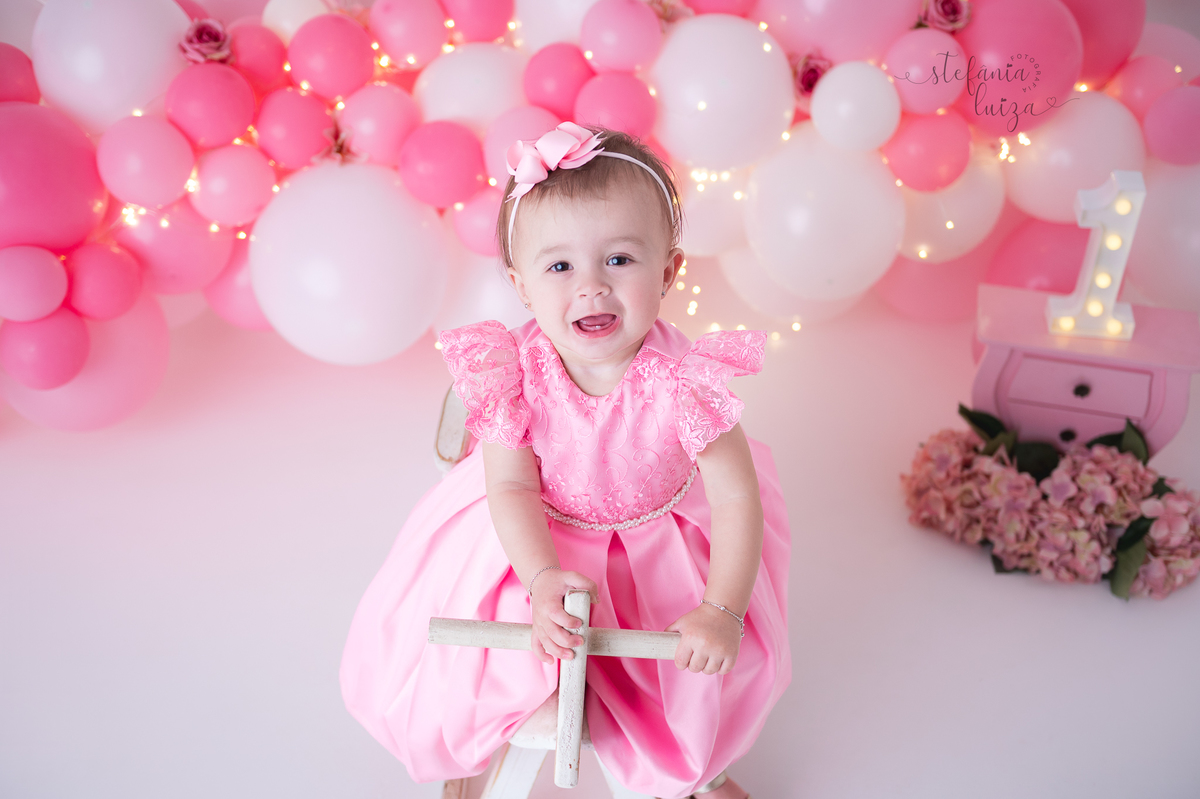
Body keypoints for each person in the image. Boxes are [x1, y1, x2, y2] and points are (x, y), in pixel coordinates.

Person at [340, 123, 790, 799]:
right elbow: (511, 486)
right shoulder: (515, 373)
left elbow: (735, 496)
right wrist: (541, 576)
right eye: (560, 268)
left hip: (655, 548)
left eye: (620, 260)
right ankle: (495, 724)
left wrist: (722, 608)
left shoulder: (685, 382)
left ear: (669, 271)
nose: (592, 287)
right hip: (534, 536)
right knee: (495, 643)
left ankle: (693, 763)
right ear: (521, 286)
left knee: (687, 665)